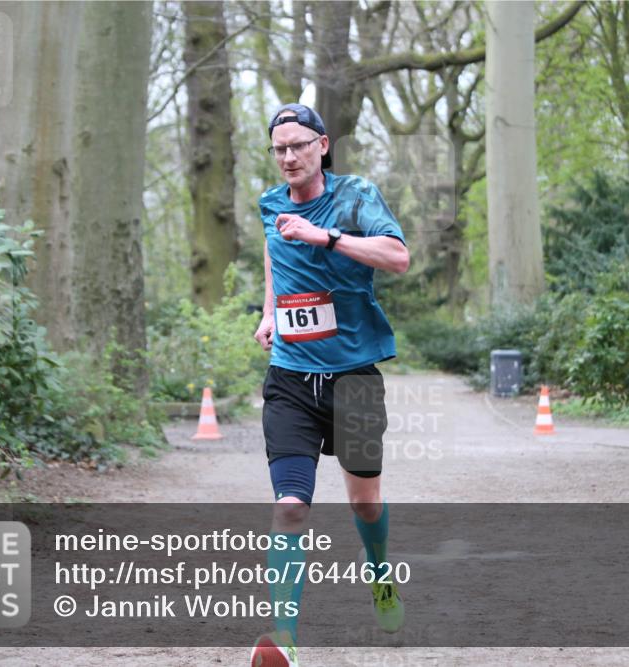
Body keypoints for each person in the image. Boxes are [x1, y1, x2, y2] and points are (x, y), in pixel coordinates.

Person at [250, 103, 409, 667]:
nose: (288, 157)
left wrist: (326, 237)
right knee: (291, 507)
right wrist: (270, 312)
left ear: (322, 145)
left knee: (365, 503)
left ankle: (380, 573)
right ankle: (285, 639)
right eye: (279, 149)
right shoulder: (271, 204)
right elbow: (274, 257)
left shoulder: (356, 196)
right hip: (291, 379)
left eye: (298, 145)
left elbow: (398, 257)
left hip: (354, 379)